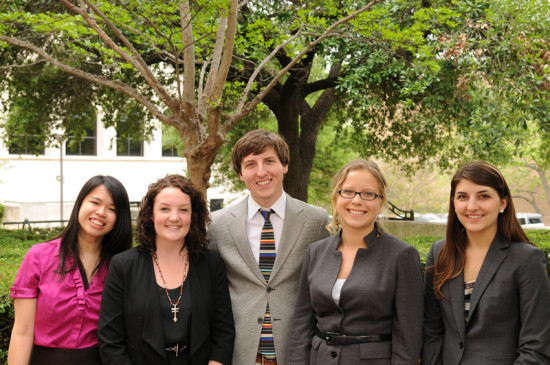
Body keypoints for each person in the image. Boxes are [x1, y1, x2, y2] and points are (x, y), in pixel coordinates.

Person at [208, 129, 330, 365]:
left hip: (297, 353)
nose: (261, 172)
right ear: (240, 174)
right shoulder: (217, 225)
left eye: (269, 161)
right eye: (251, 164)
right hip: (240, 354)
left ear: (284, 165)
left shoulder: (316, 221)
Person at [287, 159, 423, 365]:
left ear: (380, 201)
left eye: (368, 194)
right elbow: (301, 325)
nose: (357, 201)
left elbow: (408, 337)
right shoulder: (316, 252)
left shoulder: (402, 256)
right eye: (348, 191)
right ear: (336, 197)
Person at [98, 174, 234, 365]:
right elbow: (110, 340)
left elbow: (223, 332)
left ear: (192, 215)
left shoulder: (211, 264)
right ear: (151, 214)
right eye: (164, 209)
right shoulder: (123, 265)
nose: (174, 217)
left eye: (183, 210)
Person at [423, 161, 550, 364]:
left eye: (484, 196)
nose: (472, 206)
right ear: (453, 202)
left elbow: (536, 346)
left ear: (503, 203)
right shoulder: (439, 252)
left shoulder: (527, 259)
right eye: (463, 196)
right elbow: (431, 330)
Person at [8, 175, 133, 365]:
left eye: (112, 209)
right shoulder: (39, 256)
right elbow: (22, 332)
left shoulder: (121, 265)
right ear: (80, 203)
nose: (101, 212)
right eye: (95, 202)